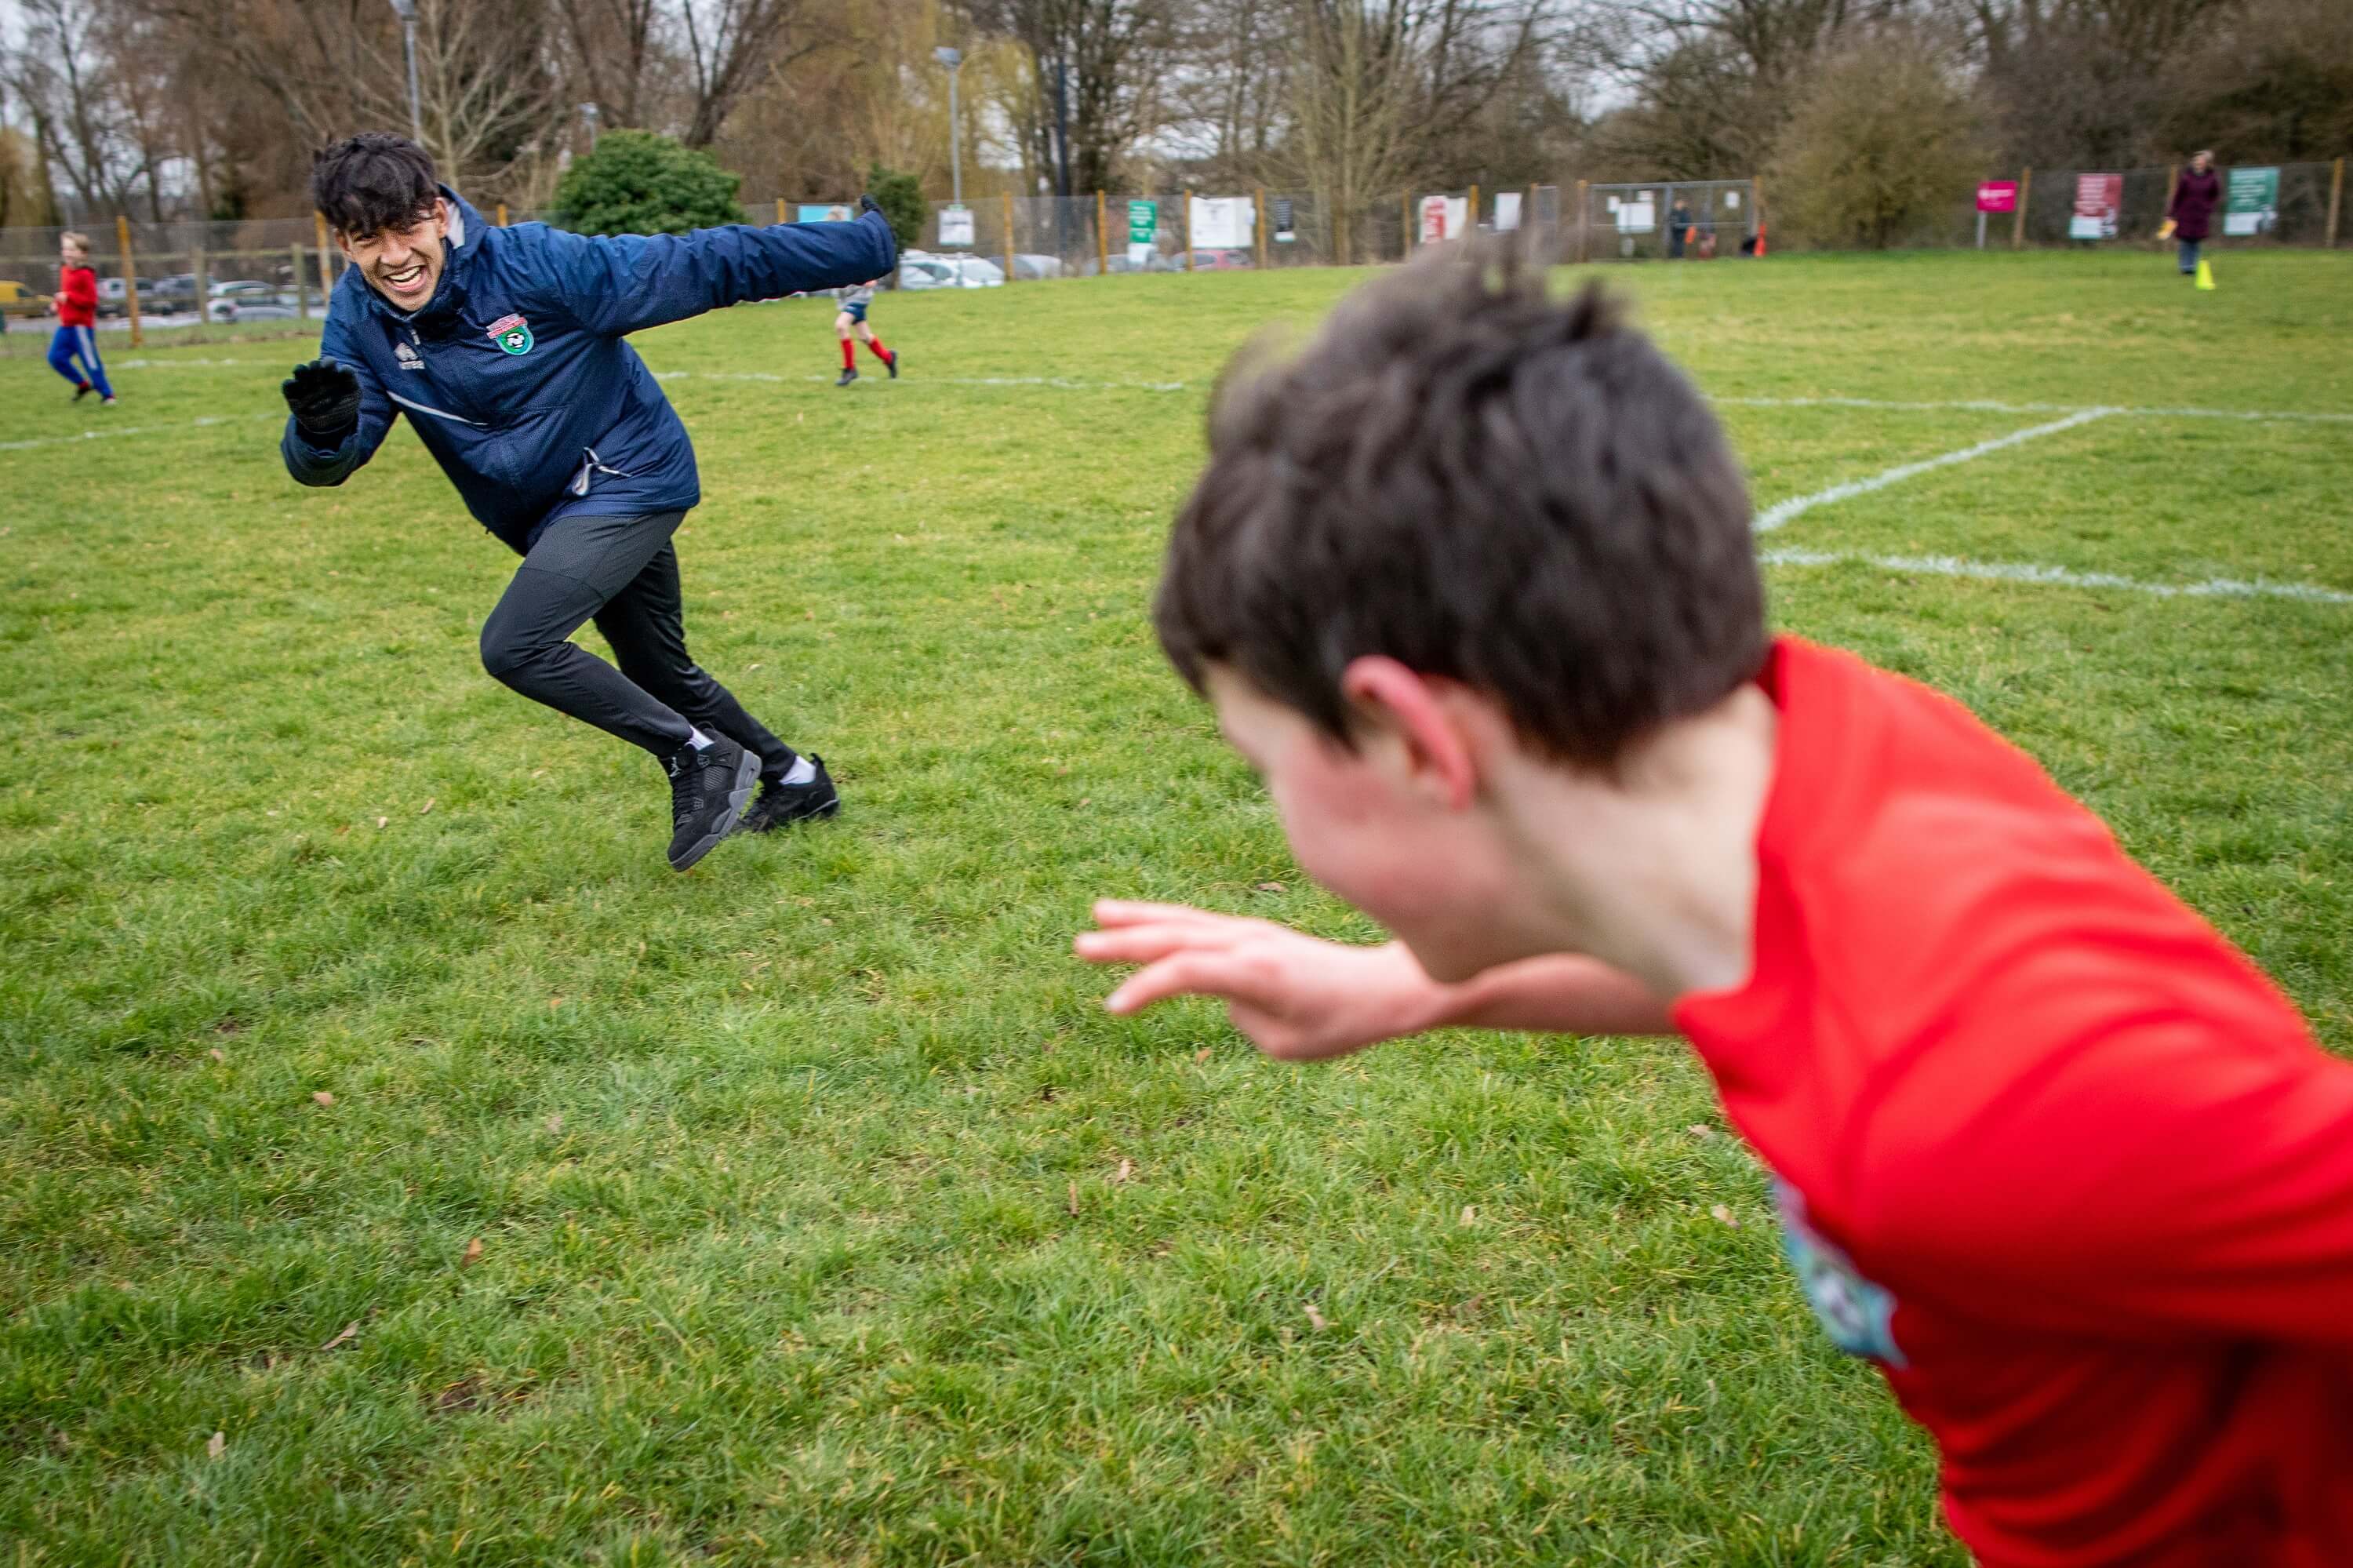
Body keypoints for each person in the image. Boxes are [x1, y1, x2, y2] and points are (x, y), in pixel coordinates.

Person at [1076, 246, 2353, 1567]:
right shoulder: (1817, 743)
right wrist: (1400, 984)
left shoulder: (1992, 1096)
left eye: (1266, 765)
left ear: (1413, 739)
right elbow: (1751, 964)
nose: (1276, 813)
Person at [281, 133, 895, 870]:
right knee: (658, 669)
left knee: (516, 646)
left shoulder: (537, 264)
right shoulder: (360, 317)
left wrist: (862, 246)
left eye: (406, 229)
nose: (393, 256)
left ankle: (695, 754)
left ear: (439, 214)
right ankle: (796, 781)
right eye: (365, 240)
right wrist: (323, 433)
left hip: (630, 476)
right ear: (343, 245)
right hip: (546, 516)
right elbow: (337, 454)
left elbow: (707, 263)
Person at [47, 231, 115, 406]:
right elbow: (65, 295)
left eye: (72, 249)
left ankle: (108, 395)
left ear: (82, 253)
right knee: (55, 358)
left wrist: (69, 297)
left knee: (90, 362)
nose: (67, 253)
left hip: (81, 328)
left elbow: (91, 301)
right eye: (65, 249)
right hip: (66, 327)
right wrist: (58, 304)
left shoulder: (85, 274)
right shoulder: (64, 271)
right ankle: (83, 385)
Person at [832, 277, 898, 387]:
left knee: (841, 326)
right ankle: (889, 357)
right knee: (865, 337)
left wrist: (871, 278)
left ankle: (850, 369)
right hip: (846, 300)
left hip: (859, 298)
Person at [2167, 151, 2221, 278]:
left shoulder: (2212, 179)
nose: (2197, 163)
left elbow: (2215, 195)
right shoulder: (2186, 178)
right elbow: (2178, 196)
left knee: (2196, 241)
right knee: (2185, 241)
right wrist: (2172, 212)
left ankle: (2193, 266)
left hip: (2201, 215)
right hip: (2185, 214)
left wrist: (2208, 207)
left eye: (2200, 161)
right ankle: (2185, 266)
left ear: (2206, 164)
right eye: (2196, 161)